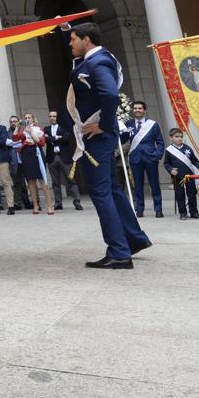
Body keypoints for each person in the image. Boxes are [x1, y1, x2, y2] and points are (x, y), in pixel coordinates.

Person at [60, 23, 150, 269]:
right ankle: (134, 239)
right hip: (97, 138)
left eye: (73, 39)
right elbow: (79, 67)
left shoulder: (98, 62)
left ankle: (119, 253)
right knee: (111, 189)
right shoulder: (92, 57)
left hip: (98, 138)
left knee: (101, 193)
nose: (70, 43)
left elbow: (110, 95)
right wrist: (64, 28)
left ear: (86, 39)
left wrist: (105, 125)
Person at [122, 101, 165, 218]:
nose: (137, 110)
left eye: (140, 108)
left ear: (144, 110)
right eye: (135, 108)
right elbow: (123, 140)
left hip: (150, 157)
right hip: (135, 158)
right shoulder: (128, 124)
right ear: (132, 110)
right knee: (138, 185)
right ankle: (139, 209)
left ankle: (158, 209)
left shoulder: (153, 124)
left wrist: (157, 155)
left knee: (154, 184)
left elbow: (160, 142)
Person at [14, 113, 51, 215]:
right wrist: (17, 126)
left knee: (43, 180)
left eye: (29, 118)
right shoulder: (22, 131)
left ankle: (49, 206)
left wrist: (31, 132)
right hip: (27, 155)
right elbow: (15, 138)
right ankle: (35, 205)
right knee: (30, 181)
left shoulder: (39, 129)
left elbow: (41, 143)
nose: (27, 119)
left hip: (37, 153)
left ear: (33, 120)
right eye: (25, 118)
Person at [163, 128, 199, 220]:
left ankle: (194, 212)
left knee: (192, 193)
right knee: (180, 195)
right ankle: (183, 213)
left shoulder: (187, 148)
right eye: (176, 137)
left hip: (189, 175)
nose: (179, 138)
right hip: (176, 176)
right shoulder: (169, 150)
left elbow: (194, 160)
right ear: (171, 138)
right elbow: (166, 163)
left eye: (181, 136)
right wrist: (170, 170)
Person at [45, 109, 80, 210]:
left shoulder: (64, 127)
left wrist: (52, 138)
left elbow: (67, 138)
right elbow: (45, 139)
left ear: (58, 117)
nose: (52, 118)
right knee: (55, 182)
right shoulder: (46, 129)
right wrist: (56, 138)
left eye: (54, 116)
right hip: (52, 157)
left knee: (70, 179)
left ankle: (77, 201)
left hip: (64, 157)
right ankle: (58, 203)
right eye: (50, 116)